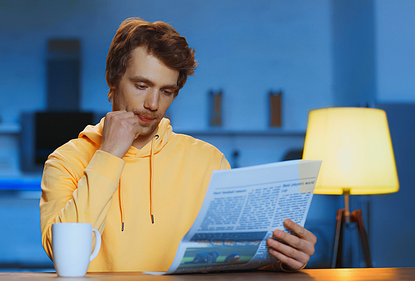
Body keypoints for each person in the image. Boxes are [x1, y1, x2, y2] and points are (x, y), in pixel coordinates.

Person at [40, 17, 316, 272]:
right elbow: (65, 257)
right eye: (141, 85)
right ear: (113, 80)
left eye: (166, 91)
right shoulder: (65, 161)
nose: (153, 104)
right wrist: (110, 154)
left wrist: (282, 260)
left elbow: (230, 263)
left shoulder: (209, 162)